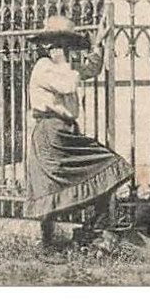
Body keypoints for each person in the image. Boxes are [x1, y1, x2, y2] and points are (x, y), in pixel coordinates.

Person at [25, 14, 132, 251]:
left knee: (108, 167)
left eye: (67, 44)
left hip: (67, 131)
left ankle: (94, 229)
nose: (64, 49)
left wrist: (98, 44)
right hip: (50, 133)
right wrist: (64, 62)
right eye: (59, 44)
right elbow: (68, 85)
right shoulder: (43, 67)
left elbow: (90, 70)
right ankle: (48, 244)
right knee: (49, 188)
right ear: (47, 46)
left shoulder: (65, 68)